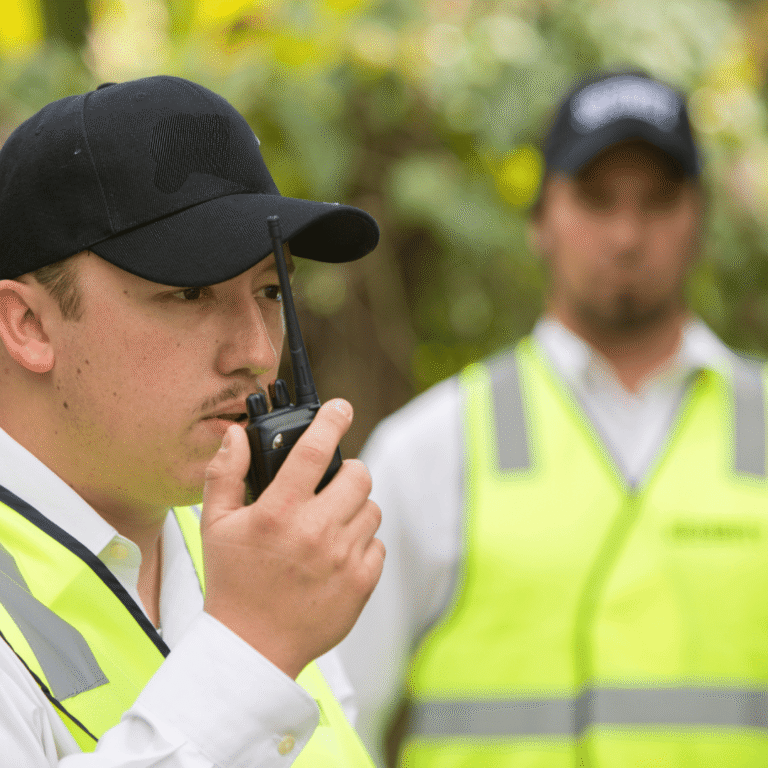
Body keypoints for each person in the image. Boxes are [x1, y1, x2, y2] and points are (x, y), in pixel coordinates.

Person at [337, 69, 768, 767]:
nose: (627, 235)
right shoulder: (431, 447)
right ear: (541, 219)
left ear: (699, 219)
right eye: (595, 200)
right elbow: (338, 719)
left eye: (657, 202)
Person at [0, 75, 385, 766]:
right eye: (186, 292)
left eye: (270, 289)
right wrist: (250, 651)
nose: (258, 353)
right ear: (27, 323)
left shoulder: (262, 553)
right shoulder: (265, 603)